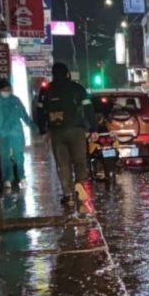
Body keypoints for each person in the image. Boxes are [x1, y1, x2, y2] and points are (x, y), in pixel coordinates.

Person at [36, 63, 97, 212]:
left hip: (57, 132)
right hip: (76, 130)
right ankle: (80, 186)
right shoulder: (77, 88)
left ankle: (68, 194)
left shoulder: (45, 90)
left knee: (62, 164)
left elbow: (39, 112)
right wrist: (93, 128)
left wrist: (43, 131)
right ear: (67, 73)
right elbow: (89, 109)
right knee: (79, 161)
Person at [0, 78, 36, 189]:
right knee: (5, 157)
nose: (6, 91)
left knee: (19, 156)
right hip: (2, 134)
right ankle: (7, 179)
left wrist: (33, 126)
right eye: (4, 89)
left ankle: (21, 177)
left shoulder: (15, 100)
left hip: (15, 133)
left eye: (8, 89)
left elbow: (23, 115)